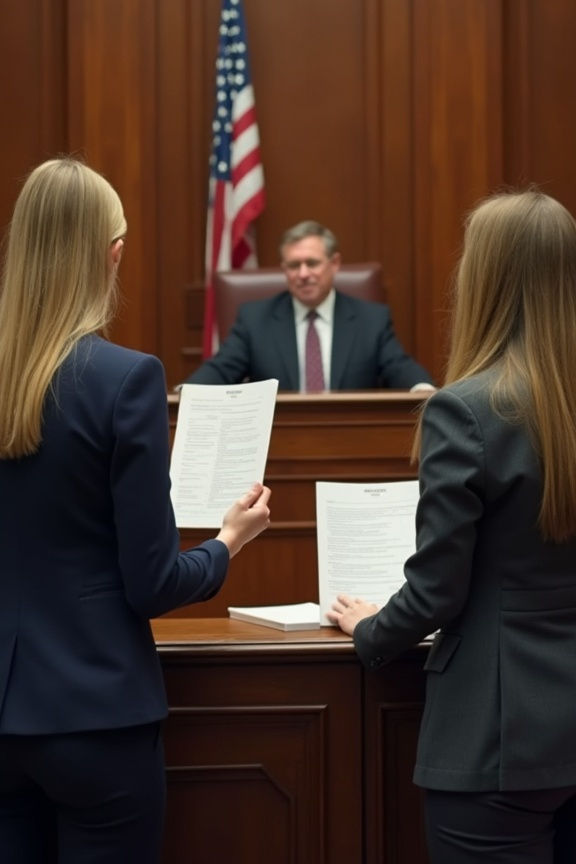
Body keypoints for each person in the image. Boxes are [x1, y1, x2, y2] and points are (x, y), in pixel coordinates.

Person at [0, 158, 271, 864]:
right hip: (96, 718)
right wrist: (227, 544)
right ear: (111, 254)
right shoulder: (125, 380)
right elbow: (151, 583)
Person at [327, 189, 576, 863]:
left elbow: (439, 590)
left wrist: (371, 630)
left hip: (498, 736)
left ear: (484, 279)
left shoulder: (463, 411)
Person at [187, 220, 435, 391]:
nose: (303, 274)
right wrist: (186, 393)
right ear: (284, 270)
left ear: (334, 263)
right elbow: (221, 369)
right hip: (279, 443)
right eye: (294, 266)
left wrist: (422, 388)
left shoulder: (371, 320)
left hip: (351, 440)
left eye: (312, 263)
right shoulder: (255, 320)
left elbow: (399, 366)